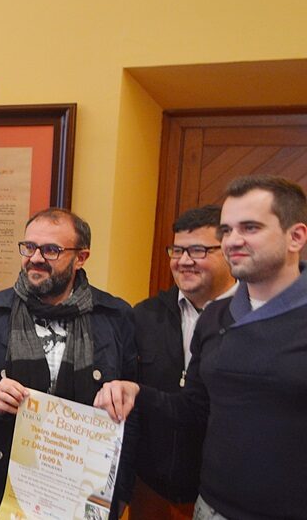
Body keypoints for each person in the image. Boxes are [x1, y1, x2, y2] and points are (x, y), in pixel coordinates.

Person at [96, 175, 307, 520]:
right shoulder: (215, 317)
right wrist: (136, 391)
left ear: (295, 236)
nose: (234, 241)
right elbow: (194, 408)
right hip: (210, 507)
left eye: (250, 228)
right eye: (227, 230)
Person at [0, 208, 136, 520]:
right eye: (29, 247)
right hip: (0, 487)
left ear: (81, 257)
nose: (36, 258)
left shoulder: (115, 317)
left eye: (51, 250)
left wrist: (120, 490)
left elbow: (133, 412)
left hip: (80, 492)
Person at [129, 206, 236, 520]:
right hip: (150, 488)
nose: (184, 261)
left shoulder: (251, 319)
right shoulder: (144, 315)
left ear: (228, 251)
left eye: (198, 250)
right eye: (177, 250)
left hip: (222, 494)